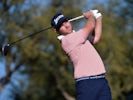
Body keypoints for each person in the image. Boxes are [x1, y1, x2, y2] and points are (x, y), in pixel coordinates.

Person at [51, 10, 112, 100]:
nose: (66, 25)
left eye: (66, 22)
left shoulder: (79, 36)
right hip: (86, 84)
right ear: (56, 31)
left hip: (101, 81)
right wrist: (91, 15)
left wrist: (98, 17)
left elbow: (96, 39)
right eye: (61, 26)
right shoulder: (67, 41)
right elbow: (91, 25)